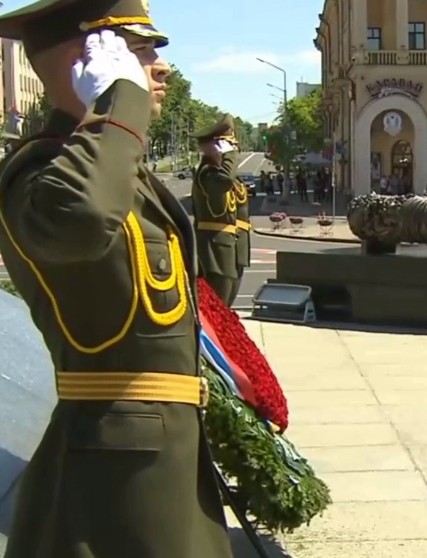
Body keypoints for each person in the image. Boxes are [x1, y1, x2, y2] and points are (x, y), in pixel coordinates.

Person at [0, 1, 234, 556]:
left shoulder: (118, 167)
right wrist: (117, 100)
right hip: (114, 480)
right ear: (86, 60)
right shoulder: (39, 171)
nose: (161, 66)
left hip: (160, 459)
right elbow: (79, 220)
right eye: (138, 49)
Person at [191, 114, 239, 305]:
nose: (227, 149)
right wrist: (231, 154)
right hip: (213, 249)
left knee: (224, 307)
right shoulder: (208, 172)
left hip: (223, 245)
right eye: (223, 144)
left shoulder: (214, 170)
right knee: (217, 307)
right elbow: (225, 181)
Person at [230, 170, 251, 306]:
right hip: (224, 241)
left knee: (234, 285)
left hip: (240, 239)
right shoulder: (213, 178)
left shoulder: (238, 183)